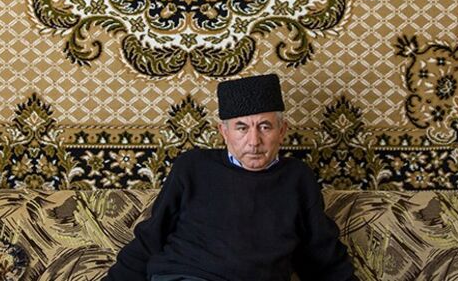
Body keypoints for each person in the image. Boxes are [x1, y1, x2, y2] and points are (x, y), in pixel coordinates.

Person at [103, 73, 356, 281]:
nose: (254, 141)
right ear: (223, 132)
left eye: (265, 127)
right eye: (242, 128)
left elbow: (323, 259)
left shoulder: (297, 179)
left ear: (282, 130)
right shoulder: (192, 166)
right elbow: (151, 237)